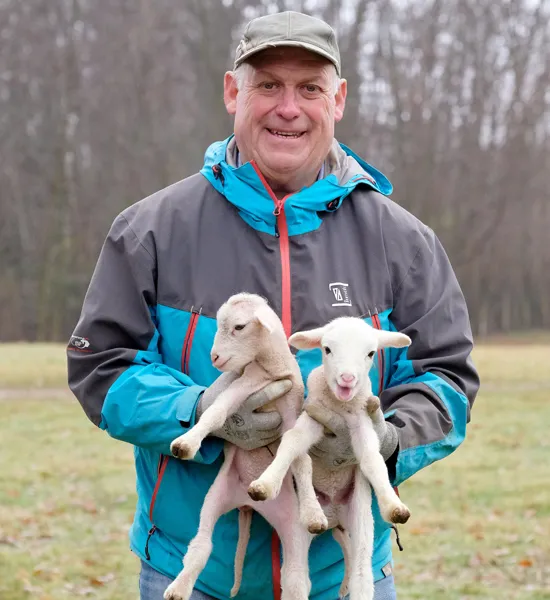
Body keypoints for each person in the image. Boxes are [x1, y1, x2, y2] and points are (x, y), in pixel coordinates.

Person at [67, 10, 479, 600]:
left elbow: (448, 379)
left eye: (309, 88)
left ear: (337, 101)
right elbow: (99, 368)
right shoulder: (150, 230)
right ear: (234, 91)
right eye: (268, 85)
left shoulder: (404, 242)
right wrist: (197, 409)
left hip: (346, 575)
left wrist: (386, 441)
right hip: (192, 571)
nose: (289, 108)